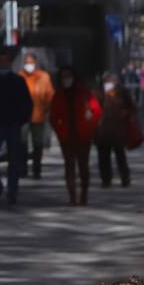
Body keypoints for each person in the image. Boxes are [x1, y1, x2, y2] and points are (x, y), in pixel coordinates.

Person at [0, 50, 33, 205]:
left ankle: (12, 190)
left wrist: (22, 119)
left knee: (14, 160)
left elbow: (27, 103)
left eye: (6, 61)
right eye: (0, 60)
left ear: (9, 63)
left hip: (13, 125)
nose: (3, 63)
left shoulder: (18, 81)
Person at [49, 66, 101, 206]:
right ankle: (72, 195)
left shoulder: (84, 93)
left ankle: (84, 193)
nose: (66, 79)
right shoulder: (58, 95)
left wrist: (89, 127)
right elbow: (53, 116)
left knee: (83, 165)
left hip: (83, 136)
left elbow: (96, 111)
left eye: (69, 76)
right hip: (66, 136)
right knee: (69, 165)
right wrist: (59, 130)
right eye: (64, 77)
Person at [96, 72, 136, 188]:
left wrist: (125, 114)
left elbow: (131, 108)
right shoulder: (99, 93)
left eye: (111, 81)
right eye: (106, 81)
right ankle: (106, 179)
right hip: (102, 130)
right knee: (103, 157)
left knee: (120, 155)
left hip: (118, 129)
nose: (109, 84)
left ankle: (125, 177)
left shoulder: (121, 93)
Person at [19, 52, 54, 179]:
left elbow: (50, 95)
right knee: (22, 143)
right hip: (23, 115)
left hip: (39, 115)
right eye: (27, 63)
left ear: (35, 63)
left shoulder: (44, 77)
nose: (29, 65)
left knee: (38, 144)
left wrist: (47, 109)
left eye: (31, 63)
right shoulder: (20, 77)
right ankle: (22, 169)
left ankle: (36, 170)